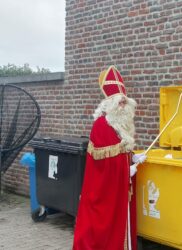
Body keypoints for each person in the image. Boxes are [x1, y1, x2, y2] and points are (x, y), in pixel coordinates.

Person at [73, 65, 146, 250]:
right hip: (104, 193)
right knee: (102, 231)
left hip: (119, 188)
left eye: (125, 102)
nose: (123, 106)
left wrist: (133, 158)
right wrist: (125, 171)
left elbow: (120, 153)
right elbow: (103, 166)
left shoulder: (120, 125)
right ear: (110, 104)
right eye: (120, 103)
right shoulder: (101, 125)